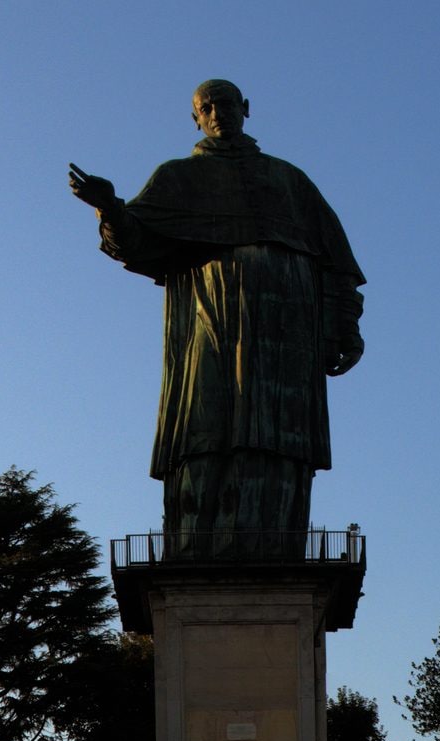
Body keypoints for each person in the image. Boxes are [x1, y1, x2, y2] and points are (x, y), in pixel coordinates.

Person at [70, 80, 364, 556]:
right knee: (205, 425)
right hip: (209, 323)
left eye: (224, 104)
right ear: (196, 119)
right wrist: (109, 208)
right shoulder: (178, 178)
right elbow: (135, 241)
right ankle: (197, 546)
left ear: (246, 109)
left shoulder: (290, 182)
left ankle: (274, 543)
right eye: (206, 107)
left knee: (277, 437)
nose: (216, 112)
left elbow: (337, 266)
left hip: (287, 334)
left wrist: (344, 327)